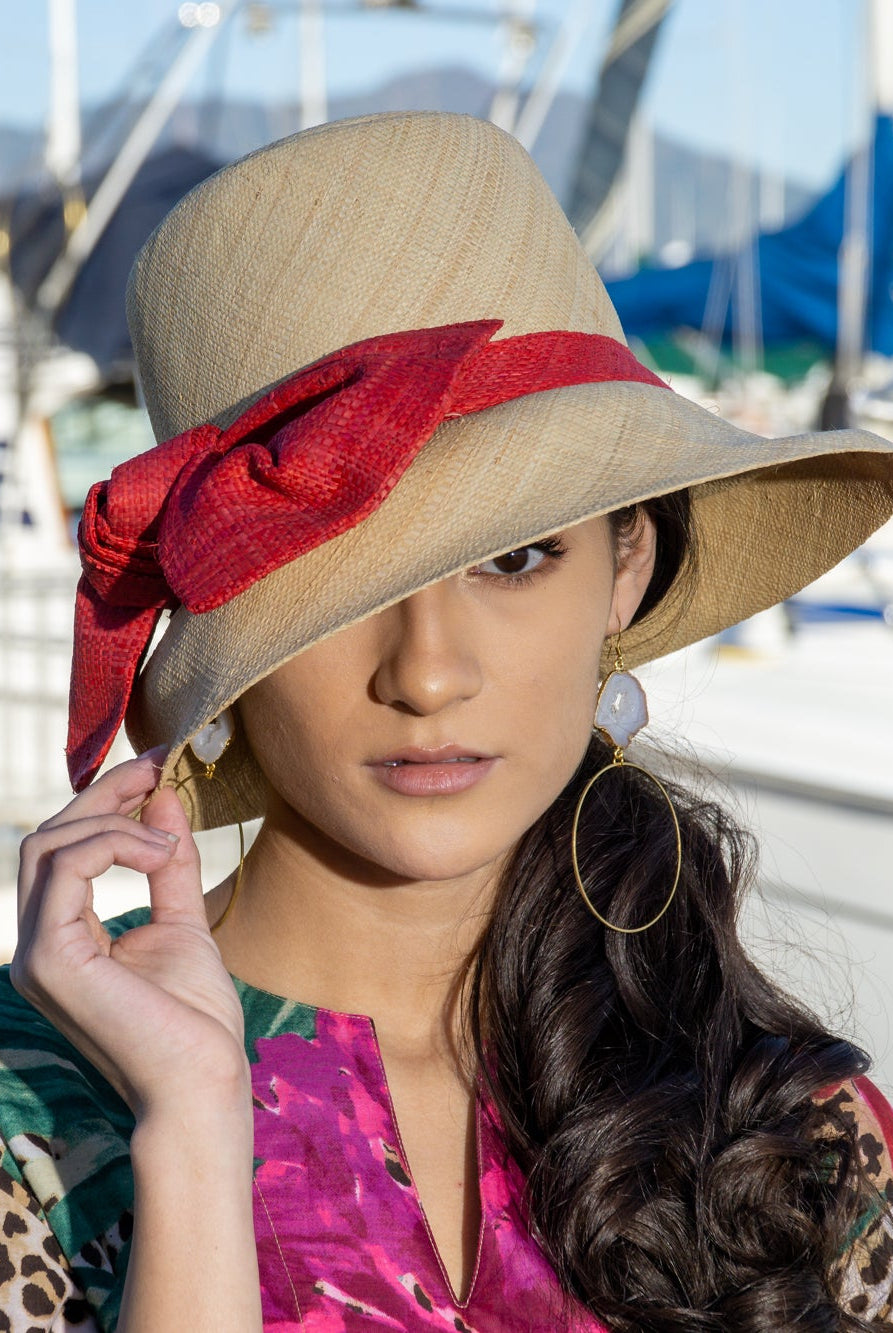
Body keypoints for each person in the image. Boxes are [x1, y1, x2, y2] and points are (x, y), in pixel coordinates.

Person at [1, 111, 892, 1333]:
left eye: (516, 556)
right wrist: (196, 1136)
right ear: (228, 631)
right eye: (333, 580)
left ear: (623, 569)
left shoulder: (787, 1129)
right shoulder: (30, 1127)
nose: (426, 674)